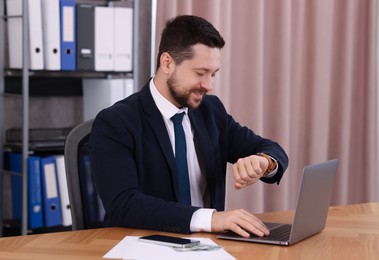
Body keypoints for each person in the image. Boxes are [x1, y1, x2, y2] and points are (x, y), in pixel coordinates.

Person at [90, 15, 289, 238]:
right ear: (167, 63)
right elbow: (124, 205)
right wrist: (210, 219)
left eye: (213, 74)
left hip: (209, 246)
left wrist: (264, 162)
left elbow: (271, 149)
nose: (209, 85)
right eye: (200, 73)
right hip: (146, 244)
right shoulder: (115, 123)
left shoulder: (211, 111)